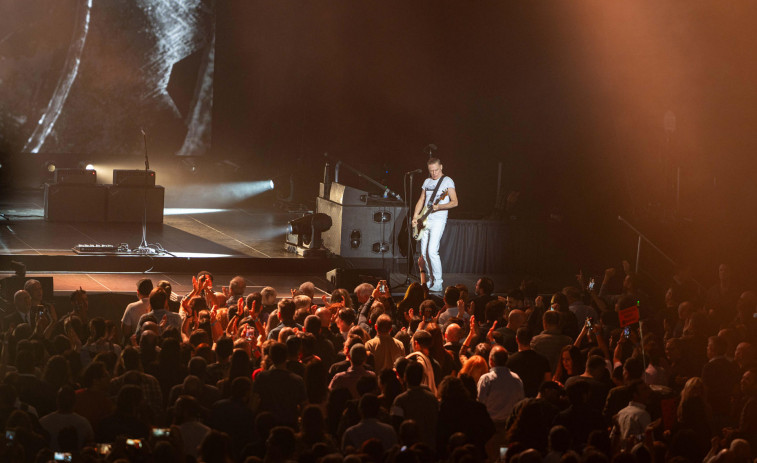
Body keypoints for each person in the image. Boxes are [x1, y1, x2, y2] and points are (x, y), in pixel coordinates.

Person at [412, 157, 458, 293]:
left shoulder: (447, 181)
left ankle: (439, 282)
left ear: (441, 167)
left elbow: (455, 202)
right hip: (425, 219)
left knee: (432, 251)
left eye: (436, 170)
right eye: (431, 171)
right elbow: (422, 199)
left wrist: (439, 206)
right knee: (424, 253)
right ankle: (431, 281)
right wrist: (415, 216)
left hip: (438, 219)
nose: (434, 173)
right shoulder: (426, 181)